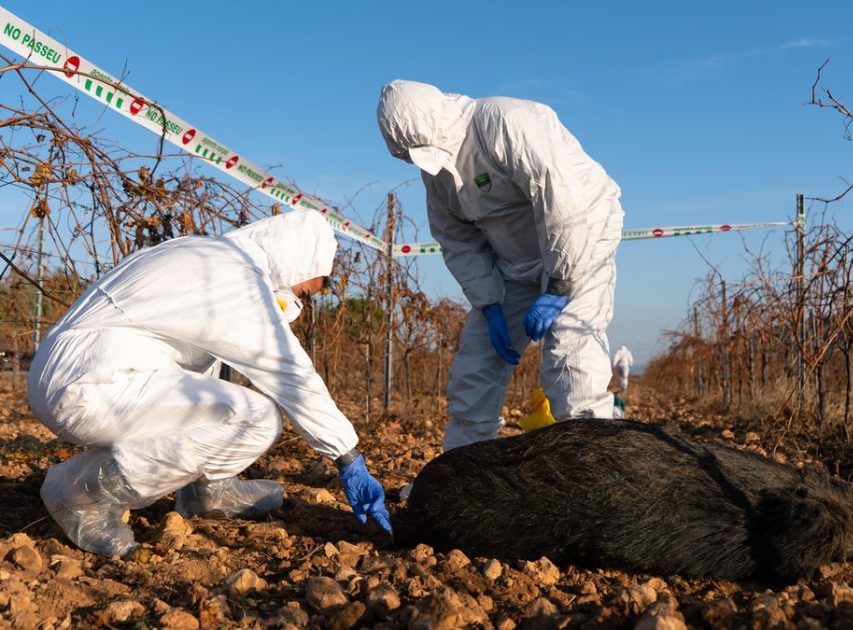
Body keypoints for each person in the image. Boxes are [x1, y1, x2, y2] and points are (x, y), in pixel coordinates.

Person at [27, 210, 392, 557]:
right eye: (304, 293)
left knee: (215, 395)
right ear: (296, 262)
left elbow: (198, 377)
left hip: (84, 375)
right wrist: (347, 455)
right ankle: (84, 493)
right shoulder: (239, 280)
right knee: (257, 418)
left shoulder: (205, 256)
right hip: (91, 385)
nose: (299, 302)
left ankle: (206, 493)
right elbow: (290, 373)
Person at [378, 80, 624, 450]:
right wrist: (489, 301)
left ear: (437, 121)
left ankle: (599, 474)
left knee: (571, 363)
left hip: (583, 241)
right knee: (475, 369)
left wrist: (560, 283)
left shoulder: (504, 121)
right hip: (516, 264)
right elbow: (457, 239)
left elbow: (561, 199)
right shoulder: (435, 171)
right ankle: (461, 473)